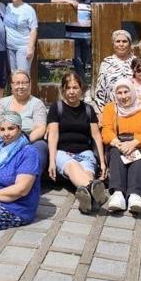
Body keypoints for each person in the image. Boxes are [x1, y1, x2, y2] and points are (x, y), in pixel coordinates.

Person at [47, 72, 107, 214]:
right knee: (74, 167)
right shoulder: (57, 108)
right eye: (68, 88)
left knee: (87, 171)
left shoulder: (88, 109)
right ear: (63, 90)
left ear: (81, 89)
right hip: (63, 152)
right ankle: (95, 193)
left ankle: (87, 199)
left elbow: (96, 136)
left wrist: (103, 162)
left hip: (84, 151)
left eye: (75, 87)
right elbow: (53, 135)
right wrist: (51, 161)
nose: (72, 92)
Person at [101, 78, 141, 214]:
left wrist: (134, 143)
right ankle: (118, 194)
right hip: (117, 143)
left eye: (126, 91)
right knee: (115, 153)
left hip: (138, 143)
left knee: (138, 154)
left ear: (132, 91)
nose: (123, 96)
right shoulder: (110, 108)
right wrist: (117, 143)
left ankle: (135, 196)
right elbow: (106, 130)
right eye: (119, 93)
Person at [0, 70, 48, 169]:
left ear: (29, 85)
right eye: (17, 83)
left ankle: (28, 181)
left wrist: (22, 142)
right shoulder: (3, 102)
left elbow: (40, 127)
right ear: (11, 85)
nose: (20, 86)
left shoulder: (37, 104)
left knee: (40, 148)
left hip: (29, 140)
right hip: (4, 137)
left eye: (24, 83)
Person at [51, 0, 93, 82]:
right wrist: (69, 2)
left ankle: (79, 86)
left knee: (83, 63)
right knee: (77, 62)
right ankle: (83, 87)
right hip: (72, 37)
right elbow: (53, 0)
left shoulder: (89, 0)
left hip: (86, 38)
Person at [92, 29, 136, 115]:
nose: (121, 44)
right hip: (112, 111)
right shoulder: (106, 62)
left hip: (134, 109)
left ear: (130, 44)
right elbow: (100, 90)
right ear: (113, 44)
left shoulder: (136, 61)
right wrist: (102, 112)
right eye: (118, 41)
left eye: (124, 41)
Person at [4, 0, 38, 73]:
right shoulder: (7, 7)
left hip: (23, 47)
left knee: (24, 75)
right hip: (9, 47)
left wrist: (30, 48)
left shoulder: (29, 9)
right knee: (13, 74)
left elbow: (33, 29)